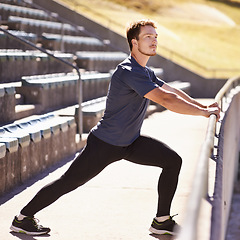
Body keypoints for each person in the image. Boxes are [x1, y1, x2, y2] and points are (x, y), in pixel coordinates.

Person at [10, 19, 220, 236]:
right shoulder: (129, 71)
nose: (154, 41)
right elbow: (166, 99)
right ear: (134, 42)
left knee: (172, 161)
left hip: (131, 142)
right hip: (104, 145)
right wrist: (204, 113)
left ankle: (162, 221)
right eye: (148, 37)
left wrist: (203, 106)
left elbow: (172, 91)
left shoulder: (145, 71)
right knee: (68, 183)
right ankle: (23, 218)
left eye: (155, 37)